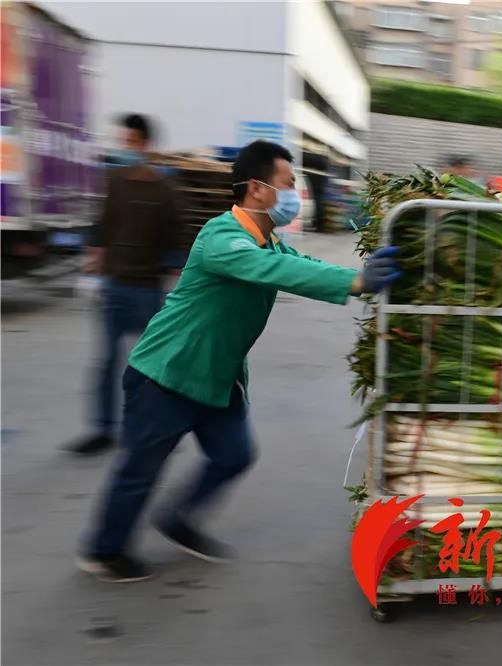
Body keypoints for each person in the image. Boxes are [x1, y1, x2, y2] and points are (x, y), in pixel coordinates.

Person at [77, 140, 401, 582]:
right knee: (141, 469)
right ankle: (103, 551)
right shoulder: (222, 238)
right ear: (257, 188)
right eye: (289, 184)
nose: (294, 194)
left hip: (217, 377)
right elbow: (274, 271)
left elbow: (301, 267)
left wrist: (360, 275)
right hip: (167, 373)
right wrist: (357, 280)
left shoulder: (266, 241)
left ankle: (177, 520)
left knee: (234, 454)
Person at [65, 114, 183, 456]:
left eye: (131, 142)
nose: (126, 148)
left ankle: (159, 428)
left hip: (147, 291)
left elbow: (175, 241)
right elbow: (101, 229)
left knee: (153, 366)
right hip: (115, 287)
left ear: (145, 145)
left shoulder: (165, 191)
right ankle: (102, 430)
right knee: (105, 361)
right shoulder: (115, 182)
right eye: (124, 142)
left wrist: (175, 283)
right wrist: (93, 270)